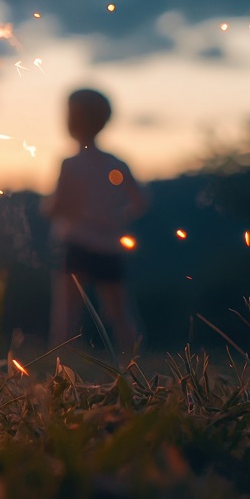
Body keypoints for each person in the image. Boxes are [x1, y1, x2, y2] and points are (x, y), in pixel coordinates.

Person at [44, 88, 148, 355]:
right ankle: (134, 357)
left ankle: (61, 363)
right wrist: (115, 218)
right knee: (119, 310)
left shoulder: (70, 165)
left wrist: (57, 210)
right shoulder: (116, 163)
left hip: (76, 243)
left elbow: (55, 207)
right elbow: (141, 202)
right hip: (110, 245)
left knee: (67, 310)